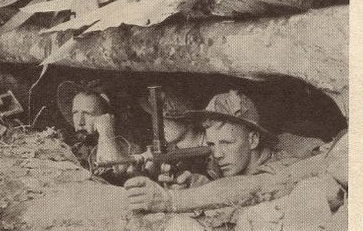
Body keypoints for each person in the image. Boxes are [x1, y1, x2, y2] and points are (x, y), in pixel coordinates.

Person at [124, 89, 284, 212]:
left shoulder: (281, 165)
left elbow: (250, 186)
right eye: (212, 144)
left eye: (226, 143)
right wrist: (199, 184)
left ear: (253, 140)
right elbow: (225, 187)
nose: (217, 154)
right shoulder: (230, 166)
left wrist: (172, 199)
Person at [57, 80, 140, 185]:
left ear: (105, 117)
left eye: (88, 114)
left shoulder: (127, 147)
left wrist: (106, 133)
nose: (80, 121)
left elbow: (117, 170)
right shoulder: (69, 146)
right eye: (75, 113)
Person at [139, 89, 219, 189]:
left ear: (188, 121)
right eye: (158, 120)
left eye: (167, 119)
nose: (160, 125)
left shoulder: (216, 144)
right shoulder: (167, 150)